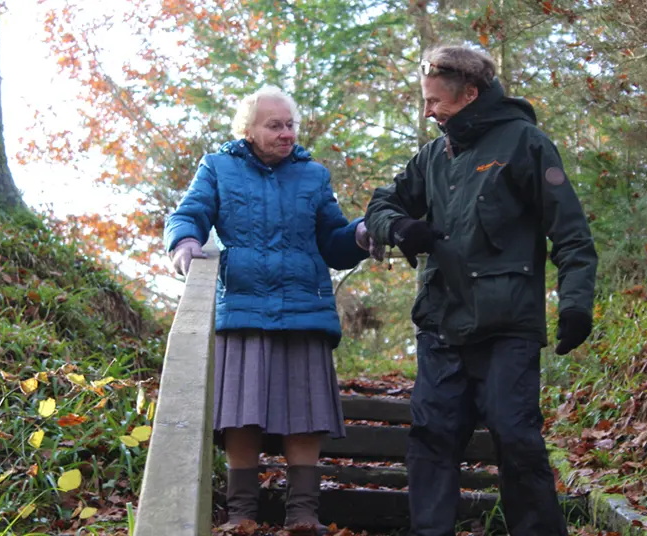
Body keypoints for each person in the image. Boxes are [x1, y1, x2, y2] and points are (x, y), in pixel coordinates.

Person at [364, 45, 598, 536]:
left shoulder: (527, 144)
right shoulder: (432, 156)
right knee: (431, 440)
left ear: (470, 94)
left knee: (516, 439)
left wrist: (575, 304)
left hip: (506, 327)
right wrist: (400, 227)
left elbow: (572, 234)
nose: (427, 111)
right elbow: (381, 203)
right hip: (440, 325)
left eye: (434, 101)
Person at [163, 85, 377, 532]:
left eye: (290, 125)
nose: (285, 133)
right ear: (249, 129)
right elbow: (190, 213)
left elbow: (333, 240)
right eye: (274, 125)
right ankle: (242, 515)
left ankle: (303, 516)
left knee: (305, 416)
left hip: (304, 310)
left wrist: (360, 235)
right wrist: (185, 242)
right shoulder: (218, 167)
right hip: (242, 308)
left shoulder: (314, 175)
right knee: (241, 416)